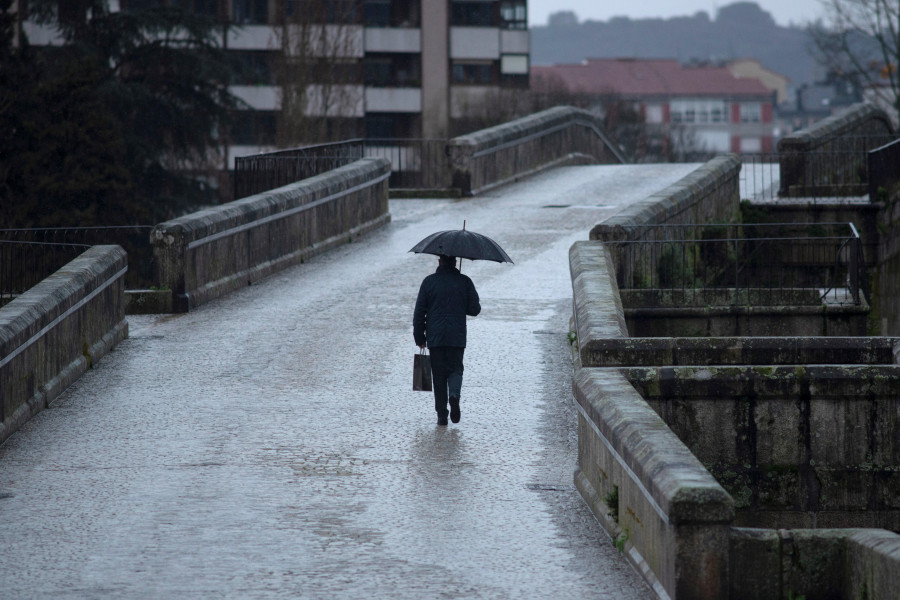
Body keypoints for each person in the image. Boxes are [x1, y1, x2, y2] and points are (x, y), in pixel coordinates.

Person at [413, 254, 481, 426]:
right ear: (455, 262)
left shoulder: (428, 282)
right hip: (456, 336)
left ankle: (442, 415)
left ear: (439, 262)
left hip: (435, 337)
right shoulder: (464, 281)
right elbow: (475, 309)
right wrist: (460, 300)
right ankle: (454, 396)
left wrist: (419, 337)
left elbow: (419, 312)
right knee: (456, 369)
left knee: (438, 375)